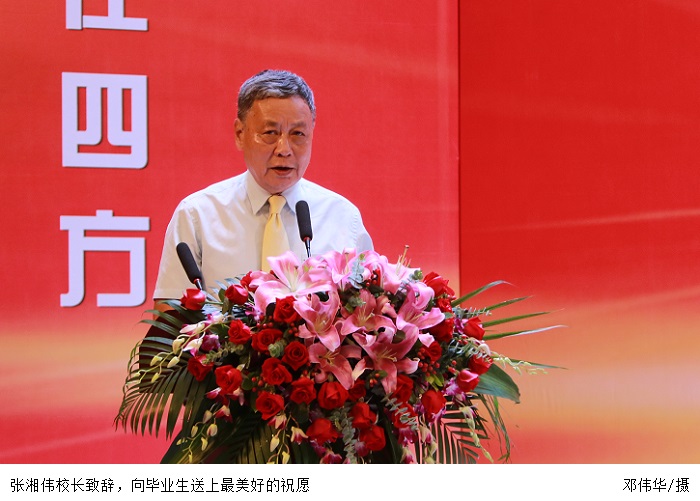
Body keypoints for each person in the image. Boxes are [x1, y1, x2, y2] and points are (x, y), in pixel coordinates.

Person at [153, 69, 373, 309]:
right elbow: (168, 319)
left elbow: (367, 312)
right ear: (240, 134)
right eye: (270, 133)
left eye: (298, 134)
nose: (284, 149)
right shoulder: (197, 215)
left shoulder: (343, 218)